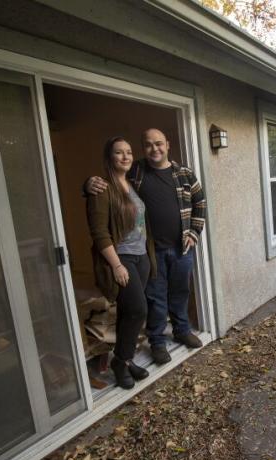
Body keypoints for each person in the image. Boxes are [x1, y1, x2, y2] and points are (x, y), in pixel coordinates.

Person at [85, 128, 206, 365]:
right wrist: (87, 184)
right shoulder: (136, 171)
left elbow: (199, 201)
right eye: (148, 145)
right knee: (156, 298)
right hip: (151, 251)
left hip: (182, 247)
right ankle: (157, 342)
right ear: (144, 147)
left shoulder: (184, 173)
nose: (154, 149)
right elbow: (110, 183)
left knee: (180, 292)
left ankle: (182, 330)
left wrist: (194, 231)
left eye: (159, 144)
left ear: (167, 145)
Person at [86, 136, 154, 389]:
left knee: (128, 313)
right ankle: (120, 361)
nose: (125, 156)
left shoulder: (132, 183)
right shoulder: (102, 188)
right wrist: (116, 265)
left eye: (128, 152)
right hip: (122, 258)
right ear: (109, 157)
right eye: (118, 153)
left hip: (141, 258)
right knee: (138, 309)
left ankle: (125, 360)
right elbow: (99, 232)